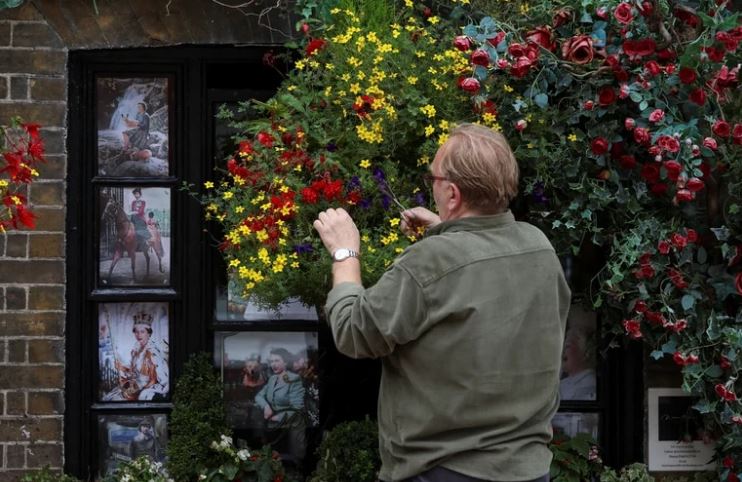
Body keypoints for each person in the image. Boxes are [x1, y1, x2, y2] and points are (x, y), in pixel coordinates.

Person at [313, 123, 571, 482]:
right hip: (527, 471)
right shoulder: (538, 247)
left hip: (442, 470)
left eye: (432, 177)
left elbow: (356, 332)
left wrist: (345, 252)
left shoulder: (430, 261)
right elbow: (481, 268)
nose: (430, 185)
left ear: (452, 194)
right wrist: (443, 228)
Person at [254, 348, 306, 462]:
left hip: (292, 430)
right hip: (274, 430)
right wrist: (266, 407)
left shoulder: (294, 379)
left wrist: (276, 417)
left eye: (277, 360)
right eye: (271, 361)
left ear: (286, 362)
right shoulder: (273, 379)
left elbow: (297, 408)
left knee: (292, 466)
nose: (273, 364)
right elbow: (258, 396)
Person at [111, 311, 168, 401]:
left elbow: (153, 380)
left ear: (148, 333)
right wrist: (121, 368)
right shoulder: (136, 350)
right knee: (114, 395)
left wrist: (138, 391)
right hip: (136, 384)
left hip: (147, 386)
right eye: (136, 332)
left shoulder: (151, 353)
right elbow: (135, 372)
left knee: (120, 398)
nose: (138, 335)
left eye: (142, 332)